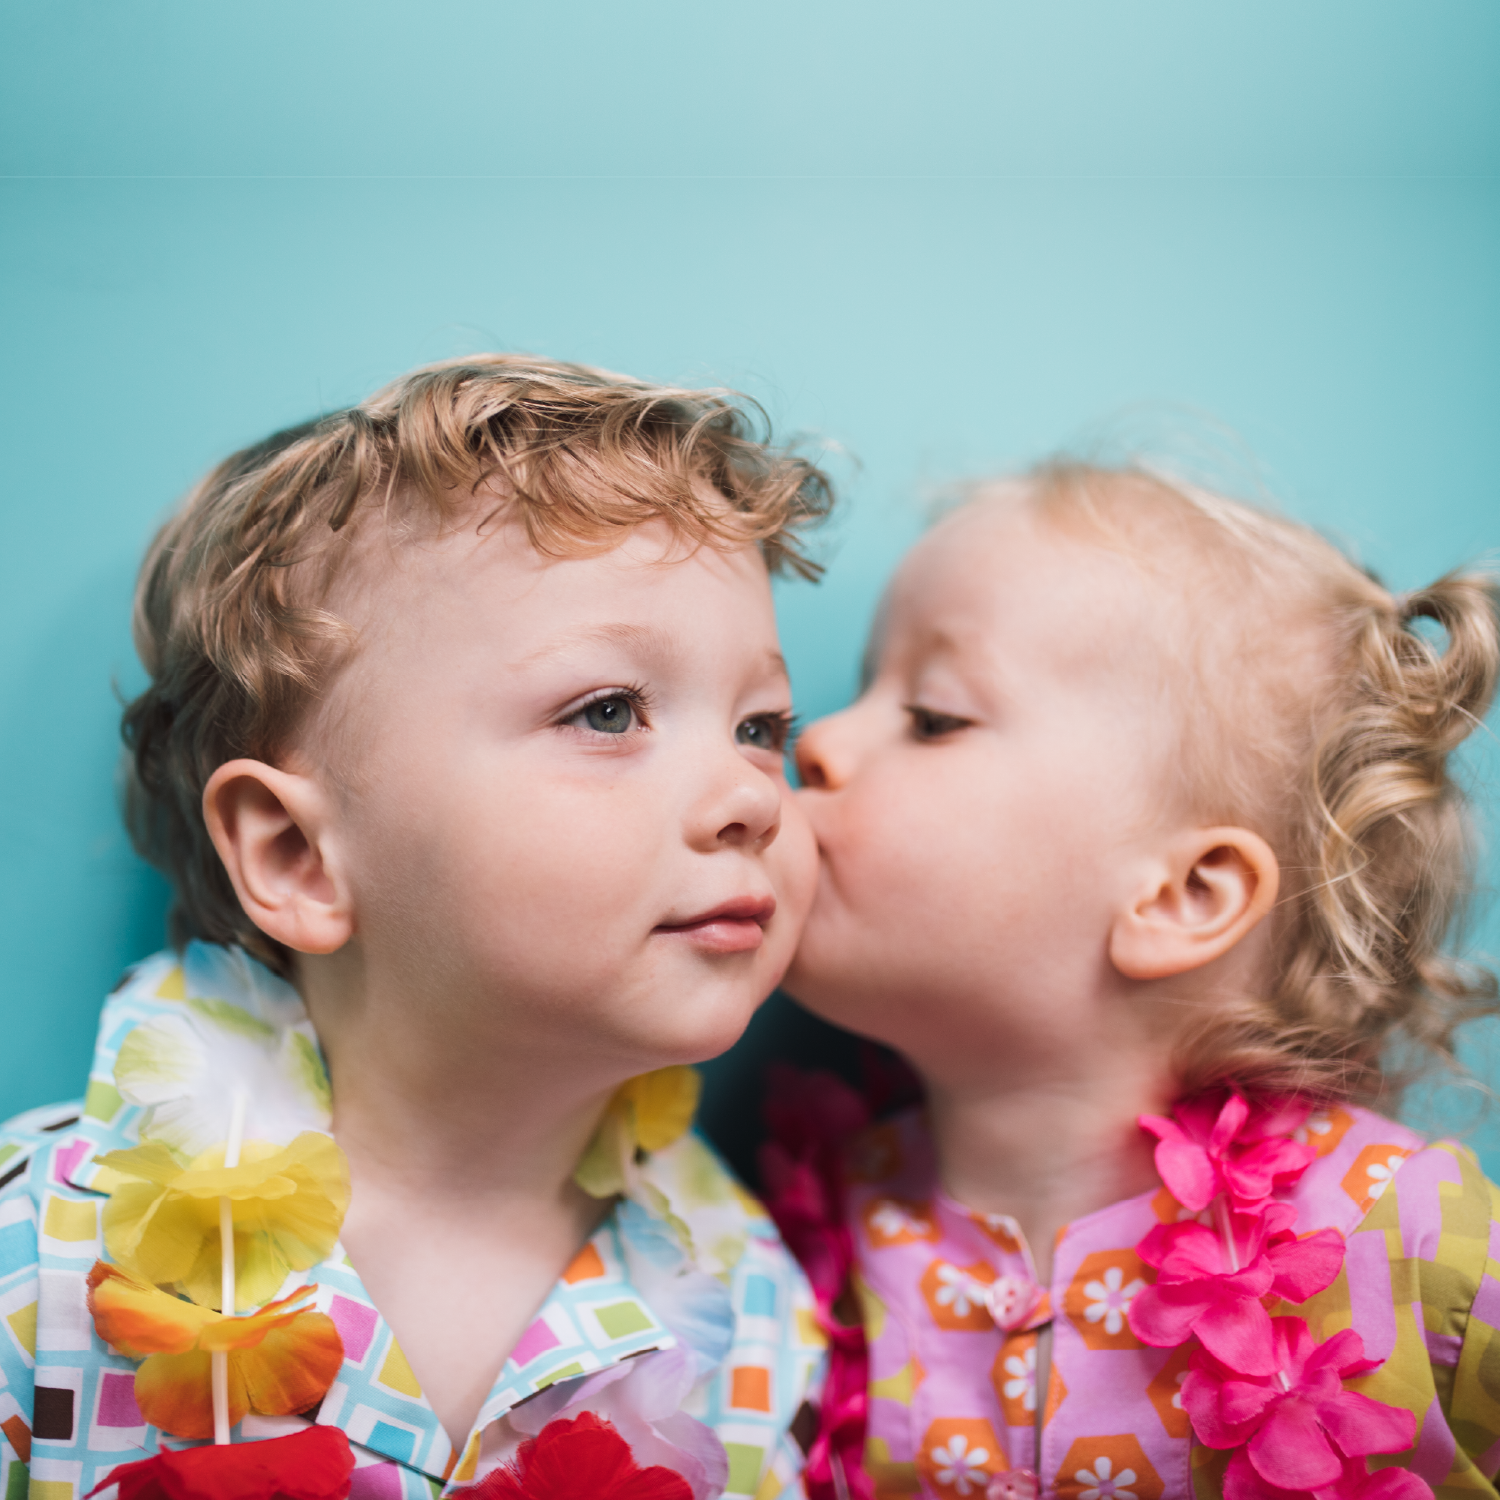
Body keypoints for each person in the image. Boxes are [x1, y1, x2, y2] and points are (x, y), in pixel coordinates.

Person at [0, 355, 831, 1499]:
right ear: (297, 856)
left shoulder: (750, 1312)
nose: (755, 794)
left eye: (760, 723)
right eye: (607, 711)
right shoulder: (33, 1248)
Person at [770, 463, 1500, 1500]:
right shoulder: (797, 1241)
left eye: (931, 716)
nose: (819, 740)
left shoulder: (1410, 1233)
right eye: (862, 692)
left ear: (1184, 894)